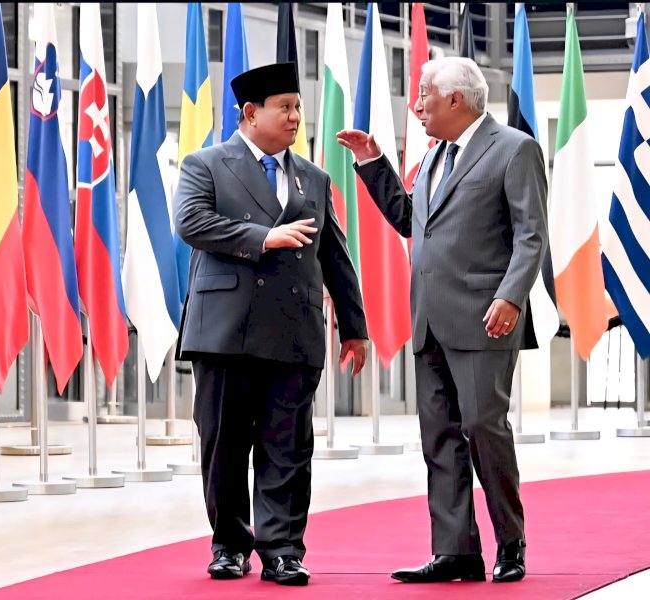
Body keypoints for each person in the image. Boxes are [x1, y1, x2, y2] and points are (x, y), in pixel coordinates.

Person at [338, 56, 548, 584]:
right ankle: (454, 550)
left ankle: (511, 543)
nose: (418, 105)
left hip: (486, 318)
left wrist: (511, 297)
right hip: (428, 320)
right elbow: (413, 220)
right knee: (439, 438)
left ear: (456, 98)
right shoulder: (434, 156)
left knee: (483, 428)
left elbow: (531, 235)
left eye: (425, 94)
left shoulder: (515, 149)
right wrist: (373, 163)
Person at [175, 62, 368, 587]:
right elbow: (190, 222)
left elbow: (335, 255)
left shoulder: (314, 177)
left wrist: (355, 326)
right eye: (285, 107)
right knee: (225, 445)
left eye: (298, 107)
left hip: (293, 331)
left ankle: (282, 549)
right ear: (250, 112)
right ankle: (230, 545)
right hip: (225, 332)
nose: (295, 116)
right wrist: (263, 237)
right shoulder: (206, 164)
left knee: (289, 448)